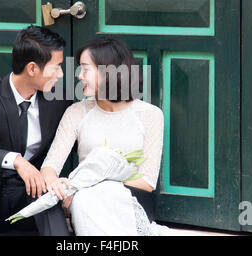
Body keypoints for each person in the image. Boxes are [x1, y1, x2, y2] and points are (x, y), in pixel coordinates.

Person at [40, 37, 164, 235]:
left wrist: (87, 183)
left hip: (131, 199)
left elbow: (147, 181)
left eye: (86, 69)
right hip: (84, 200)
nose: (79, 76)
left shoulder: (150, 114)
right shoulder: (76, 112)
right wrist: (56, 183)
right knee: (85, 200)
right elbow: (49, 167)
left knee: (94, 195)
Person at [0, 25, 72, 236]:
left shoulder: (60, 100)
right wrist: (17, 161)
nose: (61, 73)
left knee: (45, 183)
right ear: (32, 68)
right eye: (56, 67)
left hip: (35, 190)